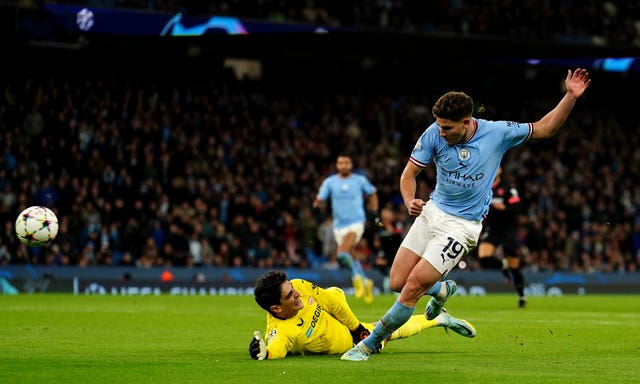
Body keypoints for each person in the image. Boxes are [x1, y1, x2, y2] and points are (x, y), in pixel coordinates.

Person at [341, 68, 591, 361]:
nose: (441, 132)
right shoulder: (434, 132)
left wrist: (570, 96)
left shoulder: (497, 133)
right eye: (439, 126)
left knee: (410, 289)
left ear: (467, 122)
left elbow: (544, 128)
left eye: (448, 128)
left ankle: (368, 345)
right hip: (432, 212)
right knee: (396, 281)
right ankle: (443, 289)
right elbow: (409, 173)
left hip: (462, 227)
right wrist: (410, 199)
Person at [249, 270, 476, 360]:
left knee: (335, 295)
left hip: (345, 322)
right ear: (276, 309)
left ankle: (438, 315)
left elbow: (332, 302)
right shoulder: (283, 331)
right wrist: (264, 353)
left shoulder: (300, 286)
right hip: (346, 341)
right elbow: (276, 349)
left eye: (293, 288)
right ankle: (440, 319)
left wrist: (357, 329)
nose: (297, 293)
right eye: (290, 296)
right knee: (389, 331)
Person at [313, 153, 380, 303]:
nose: (343, 165)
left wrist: (374, 213)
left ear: (351, 165)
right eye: (341, 163)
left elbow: (373, 193)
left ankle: (356, 277)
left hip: (356, 222)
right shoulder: (330, 182)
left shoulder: (359, 180)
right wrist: (317, 203)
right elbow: (320, 197)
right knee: (349, 254)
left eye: (346, 163)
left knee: (342, 252)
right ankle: (365, 281)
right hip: (339, 225)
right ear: (337, 166)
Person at [477, 166, 527, 308]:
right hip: (492, 230)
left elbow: (517, 208)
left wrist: (504, 208)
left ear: (501, 171)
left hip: (508, 231)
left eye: (498, 166)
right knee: (484, 258)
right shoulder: (483, 187)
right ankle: (502, 265)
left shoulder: (508, 188)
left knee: (515, 268)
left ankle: (522, 295)